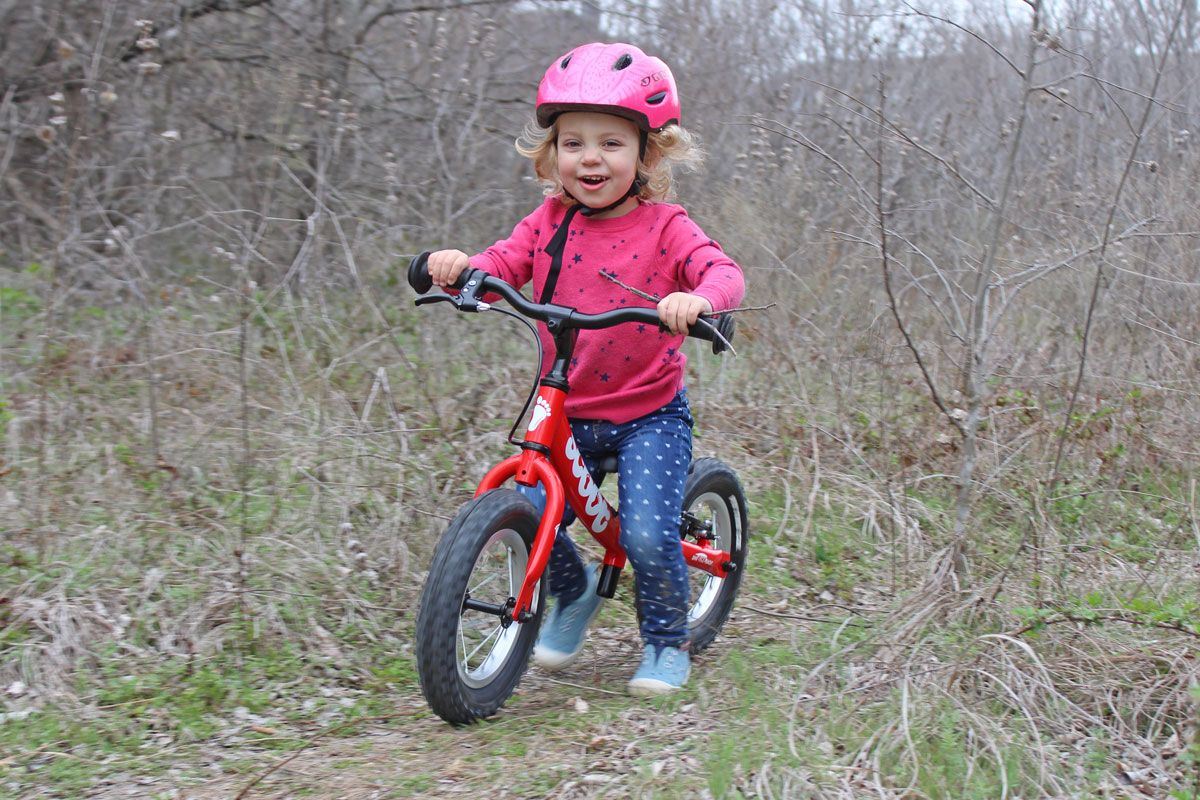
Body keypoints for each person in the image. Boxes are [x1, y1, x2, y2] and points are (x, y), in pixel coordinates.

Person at [426, 42, 745, 695]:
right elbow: (502, 262)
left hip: (646, 416)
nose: (591, 158)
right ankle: (570, 596)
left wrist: (699, 299)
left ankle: (665, 640)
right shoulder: (549, 221)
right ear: (552, 155)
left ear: (647, 154)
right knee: (522, 503)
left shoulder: (666, 227)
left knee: (649, 536)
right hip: (565, 409)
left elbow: (722, 272)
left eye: (610, 143)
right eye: (573, 143)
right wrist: (465, 270)